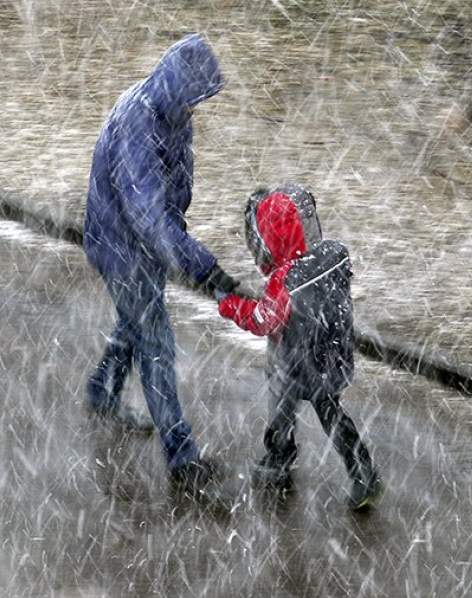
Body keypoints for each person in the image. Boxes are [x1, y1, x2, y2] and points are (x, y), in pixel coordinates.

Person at [83, 34, 241, 494]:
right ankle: (181, 456)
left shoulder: (172, 113)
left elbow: (174, 186)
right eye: (193, 98)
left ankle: (101, 390)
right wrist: (201, 265)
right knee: (156, 345)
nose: (196, 109)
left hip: (143, 247)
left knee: (135, 322)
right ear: (178, 87)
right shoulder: (139, 121)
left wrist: (178, 241)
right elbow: (147, 214)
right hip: (122, 248)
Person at [216, 184, 382, 510]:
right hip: (329, 353)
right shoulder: (327, 258)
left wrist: (230, 305)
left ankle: (282, 458)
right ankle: (360, 469)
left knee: (284, 403)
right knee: (330, 412)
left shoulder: (286, 279)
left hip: (296, 359)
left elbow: (265, 319)